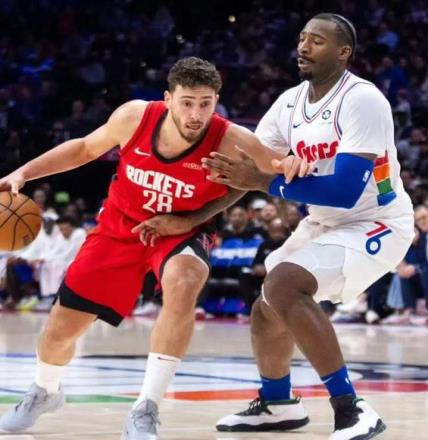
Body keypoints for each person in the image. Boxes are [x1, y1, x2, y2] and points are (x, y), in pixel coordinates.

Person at [0, 57, 309, 440]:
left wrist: (294, 163)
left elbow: (277, 169)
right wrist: (24, 173)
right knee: (59, 333)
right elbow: (83, 149)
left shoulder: (233, 139)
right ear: (168, 99)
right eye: (187, 102)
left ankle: (146, 408)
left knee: (185, 280)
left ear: (216, 101)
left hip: (182, 229)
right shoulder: (135, 117)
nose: (196, 114)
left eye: (205, 103)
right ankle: (44, 391)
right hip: (120, 226)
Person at [202, 13, 414, 440]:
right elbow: (250, 167)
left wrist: (267, 181)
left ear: (343, 52)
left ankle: (352, 409)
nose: (303, 46)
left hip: (376, 222)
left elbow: (344, 191)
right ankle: (278, 404)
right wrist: (194, 216)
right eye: (301, 38)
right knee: (266, 306)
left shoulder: (363, 99)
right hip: (324, 223)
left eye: (316, 41)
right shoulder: (289, 103)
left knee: (284, 284)